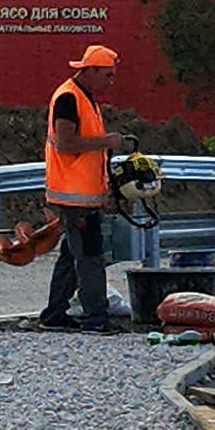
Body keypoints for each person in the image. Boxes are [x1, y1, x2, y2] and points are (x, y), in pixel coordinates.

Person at [36, 44, 127, 333]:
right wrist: (105, 142)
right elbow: (66, 143)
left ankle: (54, 314)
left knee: (71, 255)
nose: (110, 82)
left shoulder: (84, 98)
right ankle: (96, 318)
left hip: (80, 195)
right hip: (73, 195)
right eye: (107, 75)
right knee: (89, 256)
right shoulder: (68, 97)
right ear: (90, 70)